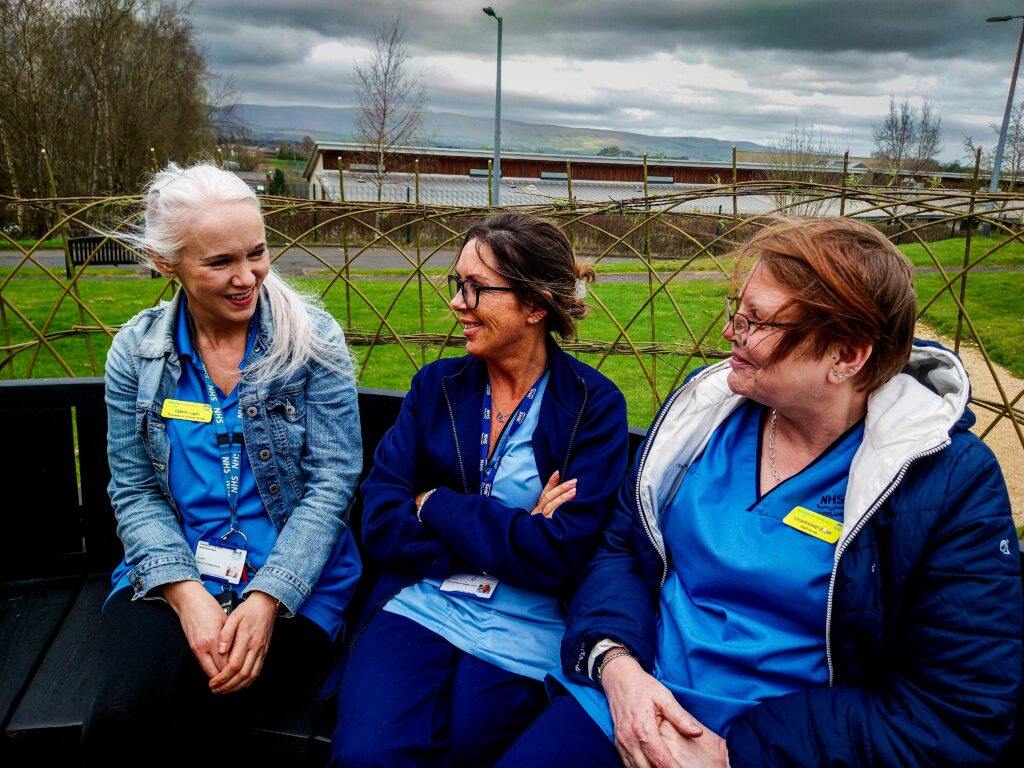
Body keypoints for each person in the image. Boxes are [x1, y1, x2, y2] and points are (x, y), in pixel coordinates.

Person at [499, 218, 1023, 767]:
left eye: (758, 322)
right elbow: (621, 549)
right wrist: (616, 664)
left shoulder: (945, 483)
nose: (730, 333)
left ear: (847, 355)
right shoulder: (702, 415)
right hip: (626, 703)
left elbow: (956, 714)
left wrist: (739, 754)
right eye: (737, 310)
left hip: (788, 746)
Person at [83, 163, 363, 763]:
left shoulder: (312, 340)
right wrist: (187, 595)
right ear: (167, 263)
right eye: (219, 263)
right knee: (117, 723)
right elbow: (134, 491)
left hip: (295, 583)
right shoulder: (137, 353)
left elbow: (333, 483)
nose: (247, 278)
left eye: (256, 253)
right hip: (173, 573)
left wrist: (267, 598)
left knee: (209, 710)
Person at [330, 213, 630, 767]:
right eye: (456, 284)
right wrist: (514, 535)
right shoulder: (435, 387)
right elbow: (379, 518)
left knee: (468, 747)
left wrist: (436, 503)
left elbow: (560, 554)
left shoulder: (593, 406)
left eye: (476, 288)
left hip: (528, 622)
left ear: (536, 305)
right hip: (423, 601)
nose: (457, 303)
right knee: (371, 754)